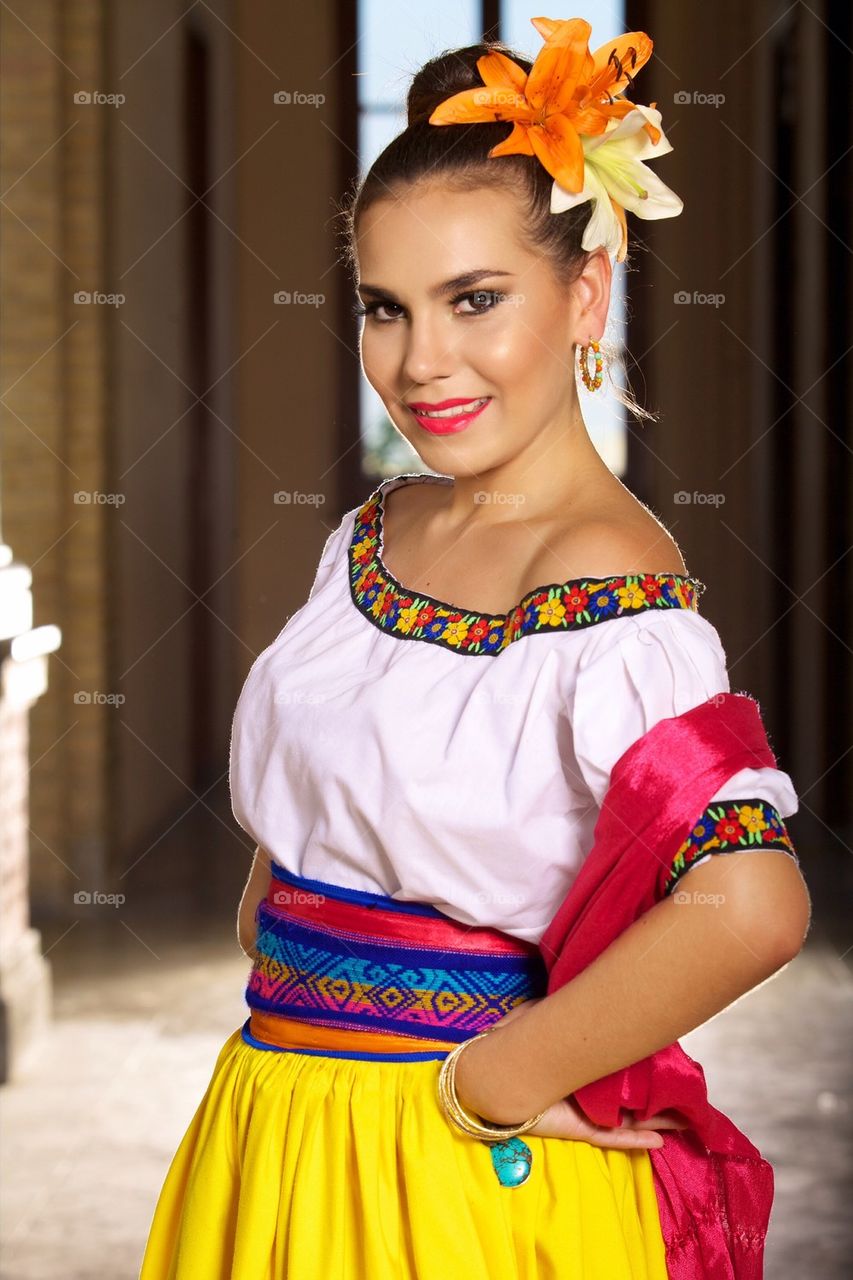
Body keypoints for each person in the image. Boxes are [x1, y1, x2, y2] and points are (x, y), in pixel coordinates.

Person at [139, 16, 810, 1278]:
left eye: (474, 300)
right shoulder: (370, 531)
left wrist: (495, 1079)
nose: (420, 361)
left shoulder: (611, 590)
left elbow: (750, 902)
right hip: (274, 1111)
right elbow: (310, 821)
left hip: (451, 1169)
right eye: (384, 308)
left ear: (585, 291)